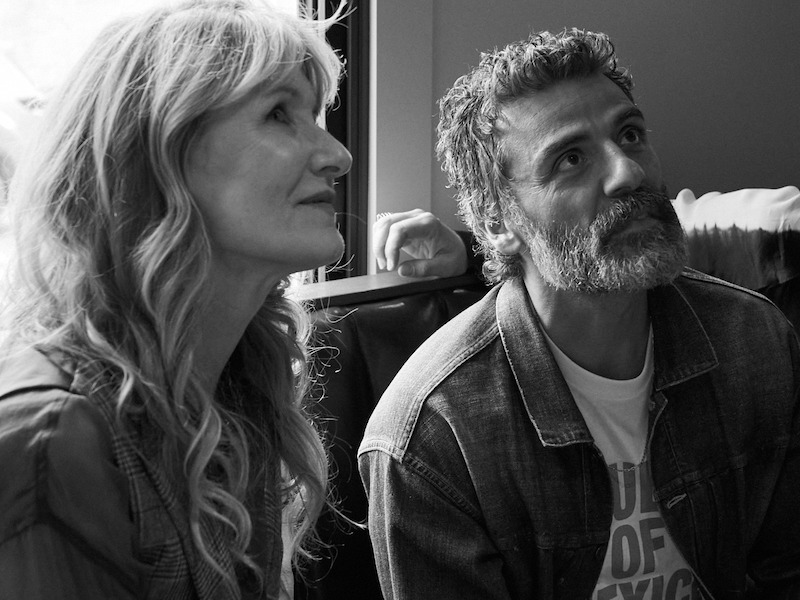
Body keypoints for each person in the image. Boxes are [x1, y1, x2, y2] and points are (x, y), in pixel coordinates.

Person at [358, 29, 800, 599]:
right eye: (571, 158)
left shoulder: (756, 341)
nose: (628, 173)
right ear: (497, 222)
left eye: (631, 135)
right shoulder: (432, 440)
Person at [0, 1, 353, 598]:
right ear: (156, 158)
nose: (338, 156)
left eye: (314, 115)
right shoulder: (51, 440)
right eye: (278, 113)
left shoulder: (241, 390)